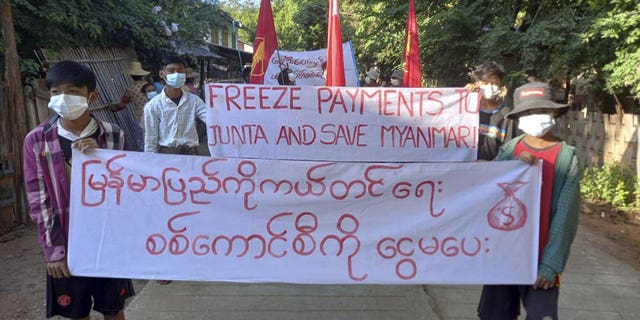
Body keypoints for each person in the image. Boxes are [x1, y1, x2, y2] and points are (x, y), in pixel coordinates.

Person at [23, 60, 134, 320]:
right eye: (56, 92)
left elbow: (129, 189)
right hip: (67, 243)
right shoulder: (37, 140)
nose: (64, 98)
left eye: (73, 91)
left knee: (114, 310)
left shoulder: (114, 136)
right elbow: (39, 200)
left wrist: (101, 157)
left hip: (108, 241)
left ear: (91, 96)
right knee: (76, 312)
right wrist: (54, 251)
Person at [477, 82, 580, 320]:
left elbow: (566, 217)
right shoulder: (510, 150)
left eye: (541, 110)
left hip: (542, 261)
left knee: (540, 315)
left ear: (553, 112)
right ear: (520, 117)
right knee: (494, 315)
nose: (535, 116)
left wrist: (551, 265)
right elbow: (487, 189)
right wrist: (509, 166)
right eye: (528, 112)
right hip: (504, 258)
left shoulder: (566, 157)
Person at [144, 55, 207, 155]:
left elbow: (211, 120)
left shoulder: (195, 101)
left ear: (185, 74)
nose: (176, 74)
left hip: (192, 155)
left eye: (180, 71)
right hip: (167, 156)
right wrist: (150, 163)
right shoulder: (153, 106)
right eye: (171, 70)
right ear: (162, 74)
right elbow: (150, 139)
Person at [467, 61, 517, 160]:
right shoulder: (466, 110)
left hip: (493, 172)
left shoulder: (507, 115)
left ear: (500, 84)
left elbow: (509, 149)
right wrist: (462, 96)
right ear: (477, 84)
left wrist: (489, 165)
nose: (490, 87)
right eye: (485, 83)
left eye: (494, 83)